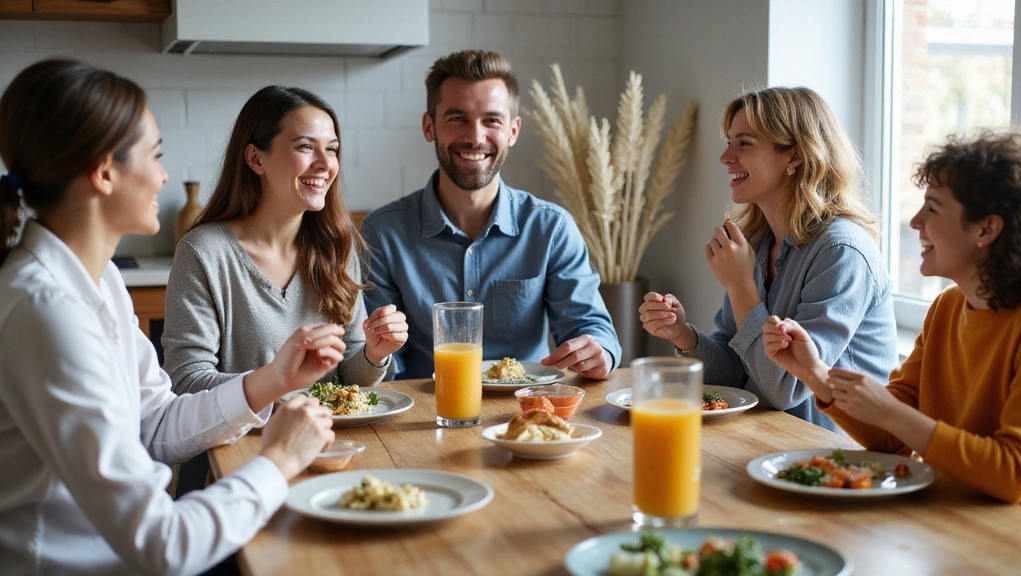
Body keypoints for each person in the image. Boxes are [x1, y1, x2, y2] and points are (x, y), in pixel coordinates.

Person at [0, 59, 339, 574]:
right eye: (154, 155)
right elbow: (163, 544)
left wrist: (273, 380)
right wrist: (280, 461)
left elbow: (155, 424)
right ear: (104, 172)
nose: (163, 174)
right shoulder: (46, 312)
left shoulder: (101, 279)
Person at [763, 130, 1021, 503]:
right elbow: (892, 438)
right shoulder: (946, 310)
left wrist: (892, 413)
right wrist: (815, 375)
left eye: (932, 208)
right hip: (945, 522)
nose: (915, 221)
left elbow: (1014, 474)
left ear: (986, 229)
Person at [639, 87, 897, 430]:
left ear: (794, 156)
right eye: (729, 142)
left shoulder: (842, 251)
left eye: (743, 143)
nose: (725, 157)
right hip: (768, 443)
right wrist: (683, 334)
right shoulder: (757, 245)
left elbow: (784, 389)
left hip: (833, 458)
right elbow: (741, 373)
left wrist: (741, 285)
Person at [360, 49, 620, 380]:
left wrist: (599, 350)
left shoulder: (551, 227)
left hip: (528, 414)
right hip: (424, 418)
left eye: (491, 120)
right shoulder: (382, 233)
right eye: (457, 119)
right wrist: (373, 357)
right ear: (429, 127)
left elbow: (591, 325)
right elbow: (370, 358)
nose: (475, 137)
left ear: (513, 131)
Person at [163, 85, 409, 396]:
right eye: (306, 147)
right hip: (250, 443)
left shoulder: (336, 244)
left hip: (332, 440)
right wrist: (278, 381)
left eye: (331, 149)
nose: (325, 163)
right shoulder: (204, 253)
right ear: (255, 159)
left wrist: (374, 354)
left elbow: (346, 375)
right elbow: (187, 382)